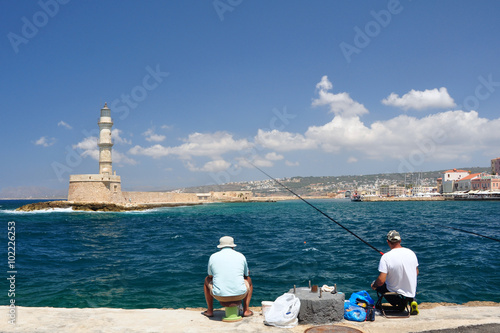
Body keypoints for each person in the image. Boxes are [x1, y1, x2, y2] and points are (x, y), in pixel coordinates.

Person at [203, 236, 253, 317]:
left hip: (219, 295)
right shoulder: (241, 256)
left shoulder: (213, 256)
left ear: (220, 247)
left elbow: (210, 276)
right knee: (249, 280)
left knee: (206, 280)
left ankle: (209, 311)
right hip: (240, 294)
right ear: (233, 246)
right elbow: (246, 274)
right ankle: (246, 310)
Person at [371, 230, 419, 315]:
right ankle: (411, 300)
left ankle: (400, 305)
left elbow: (381, 280)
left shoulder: (386, 257)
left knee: (379, 285)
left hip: (394, 290)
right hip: (410, 289)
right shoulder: (411, 253)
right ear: (400, 240)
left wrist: (374, 285)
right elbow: (416, 272)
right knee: (406, 286)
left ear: (388, 242)